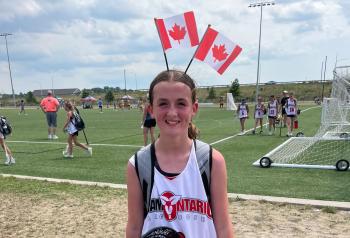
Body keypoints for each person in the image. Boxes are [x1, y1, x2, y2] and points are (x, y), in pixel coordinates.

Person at [126, 70, 233, 237]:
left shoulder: (211, 160)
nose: (172, 112)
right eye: (163, 104)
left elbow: (224, 228)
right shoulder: (139, 164)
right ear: (150, 109)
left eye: (181, 103)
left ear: (194, 108)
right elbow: (134, 227)